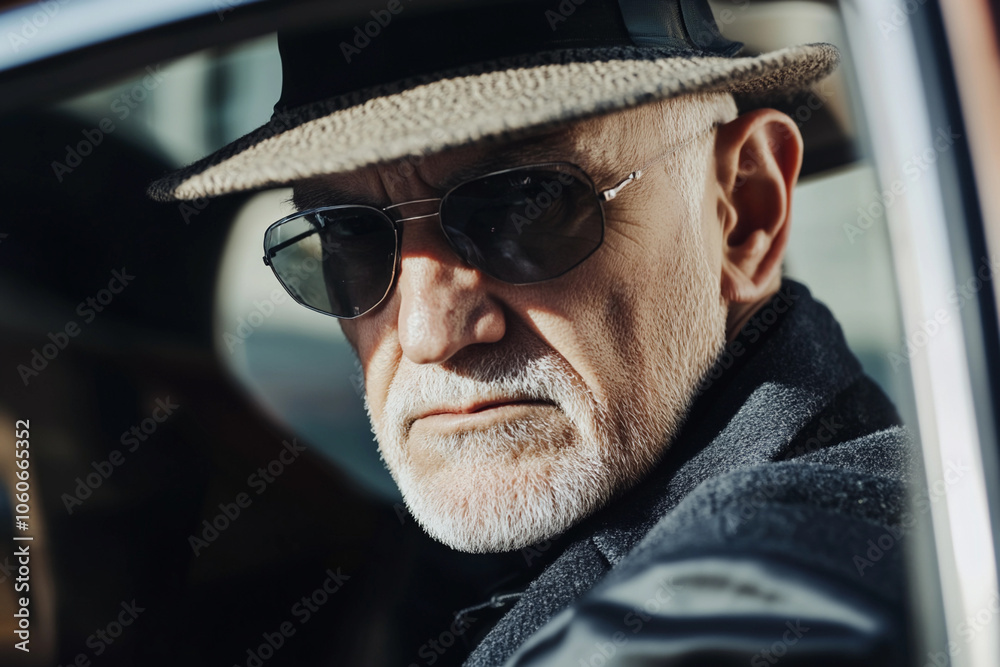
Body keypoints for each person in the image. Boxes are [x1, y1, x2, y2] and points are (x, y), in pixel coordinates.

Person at [150, 1, 912, 664]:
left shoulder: (785, 563)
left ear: (744, 209)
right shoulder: (453, 566)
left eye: (525, 206)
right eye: (348, 235)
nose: (427, 331)